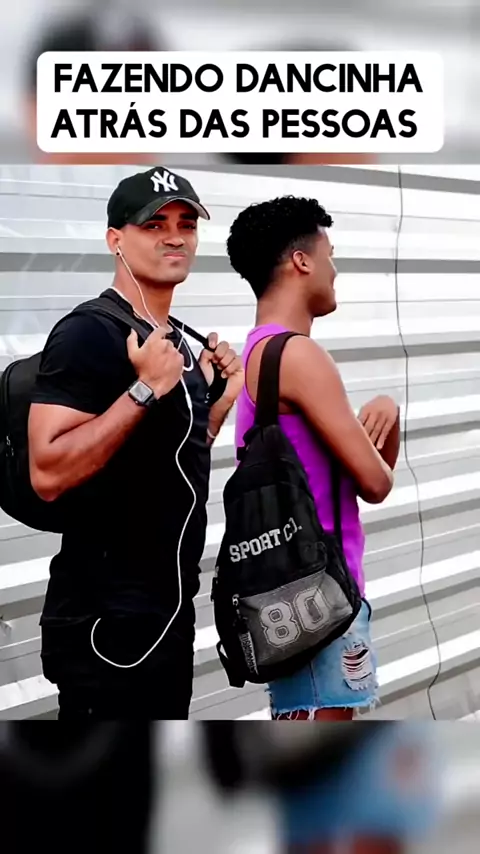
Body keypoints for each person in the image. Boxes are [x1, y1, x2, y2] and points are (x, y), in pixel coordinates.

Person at [27, 165, 244, 720]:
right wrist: (145, 389)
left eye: (186, 224)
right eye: (154, 225)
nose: (175, 237)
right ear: (115, 240)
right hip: (105, 626)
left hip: (167, 620)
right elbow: (47, 472)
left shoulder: (177, 342)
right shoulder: (89, 332)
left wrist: (219, 399)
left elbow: (173, 462)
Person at [228, 195, 400, 720]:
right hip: (325, 597)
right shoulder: (298, 355)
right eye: (330, 255)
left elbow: (347, 477)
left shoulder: (259, 351)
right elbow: (376, 483)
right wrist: (388, 410)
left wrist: (383, 421)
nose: (334, 269)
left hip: (293, 597)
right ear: (300, 261)